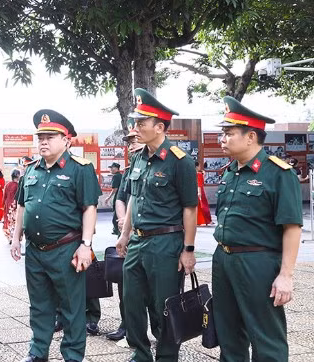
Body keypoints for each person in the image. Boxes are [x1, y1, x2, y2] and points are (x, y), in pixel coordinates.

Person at [213, 96, 302, 361]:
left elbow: (292, 227)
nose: (223, 139)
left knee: (265, 335)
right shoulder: (230, 172)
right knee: (228, 333)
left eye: (229, 133)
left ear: (251, 136)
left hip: (258, 263)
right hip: (224, 259)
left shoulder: (278, 174)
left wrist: (286, 275)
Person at [115, 88, 198, 362]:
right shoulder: (138, 158)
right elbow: (135, 200)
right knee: (131, 303)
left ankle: (166, 355)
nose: (135, 128)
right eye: (135, 123)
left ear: (159, 126)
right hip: (137, 242)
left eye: (141, 123)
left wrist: (188, 249)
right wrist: (125, 234)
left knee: (165, 305)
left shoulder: (180, 161)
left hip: (165, 243)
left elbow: (190, 208)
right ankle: (140, 353)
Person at [10, 110, 100, 362]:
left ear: (67, 140)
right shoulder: (30, 170)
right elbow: (22, 206)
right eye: (40, 137)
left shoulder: (80, 169)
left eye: (50, 136)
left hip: (66, 249)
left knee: (71, 307)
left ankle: (72, 355)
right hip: (35, 250)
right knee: (39, 305)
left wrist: (86, 245)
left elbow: (89, 208)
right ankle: (38, 352)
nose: (44, 142)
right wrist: (16, 238)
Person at [105, 118, 148, 342]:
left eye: (135, 140)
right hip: (129, 238)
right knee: (127, 288)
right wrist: (123, 221)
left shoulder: (169, 163)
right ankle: (127, 325)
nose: (131, 145)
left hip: (155, 238)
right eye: (129, 142)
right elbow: (122, 198)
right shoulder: (132, 170)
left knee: (156, 292)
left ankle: (161, 330)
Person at [2, 169, 20, 241]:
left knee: (8, 220)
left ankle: (9, 237)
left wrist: (4, 204)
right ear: (17, 175)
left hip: (7, 204)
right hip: (15, 205)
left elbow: (4, 196)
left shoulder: (7, 184)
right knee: (15, 221)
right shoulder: (18, 185)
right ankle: (15, 237)